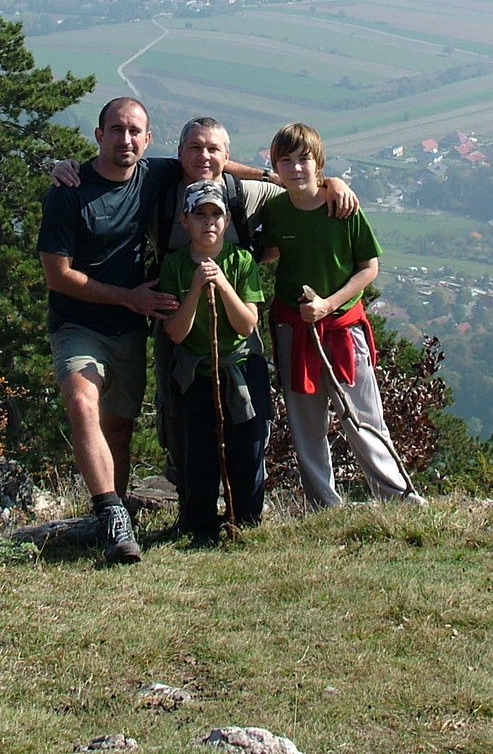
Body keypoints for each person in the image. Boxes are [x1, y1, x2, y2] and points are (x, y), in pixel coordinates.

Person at [52, 117, 357, 502]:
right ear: (179, 153)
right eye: (194, 148)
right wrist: (65, 169)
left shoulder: (245, 194)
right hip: (175, 320)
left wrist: (333, 184)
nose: (204, 156)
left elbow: (301, 195)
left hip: (237, 326)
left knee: (247, 415)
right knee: (176, 412)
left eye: (213, 149)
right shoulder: (158, 192)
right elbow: (110, 175)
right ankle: (190, 501)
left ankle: (243, 505)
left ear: (227, 157)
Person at [37, 97, 181, 562]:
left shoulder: (152, 175)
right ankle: (112, 515)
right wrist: (129, 297)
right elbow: (58, 275)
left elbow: (209, 156)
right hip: (78, 322)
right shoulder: (69, 190)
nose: (126, 139)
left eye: (135, 131)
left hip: (128, 329)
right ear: (98, 135)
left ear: (148, 138)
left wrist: (274, 176)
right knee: (82, 402)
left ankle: (116, 529)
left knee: (119, 427)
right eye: (116, 130)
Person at [259, 121, 423, 508]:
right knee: (305, 425)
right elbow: (264, 252)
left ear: (319, 164)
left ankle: (397, 496)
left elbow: (369, 268)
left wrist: (329, 304)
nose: (296, 168)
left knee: (362, 417)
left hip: (342, 329)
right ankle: (323, 505)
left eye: (305, 160)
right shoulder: (276, 211)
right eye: (287, 161)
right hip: (293, 328)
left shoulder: (343, 207)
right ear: (275, 166)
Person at [158, 180, 270, 542]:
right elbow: (176, 332)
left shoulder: (241, 261)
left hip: (239, 367)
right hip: (197, 373)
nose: (209, 222)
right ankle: (200, 523)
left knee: (247, 445)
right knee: (199, 450)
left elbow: (247, 323)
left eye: (216, 215)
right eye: (200, 214)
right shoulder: (174, 266)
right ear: (185, 220)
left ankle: (245, 519)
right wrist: (194, 289)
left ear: (226, 222)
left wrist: (222, 284)